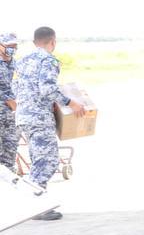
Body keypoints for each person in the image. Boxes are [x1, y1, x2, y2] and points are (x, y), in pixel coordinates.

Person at [14, 26, 85, 219]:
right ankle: (35, 206)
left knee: (38, 160)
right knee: (48, 161)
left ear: (34, 41)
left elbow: (15, 87)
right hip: (39, 118)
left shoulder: (23, 61)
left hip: (24, 117)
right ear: (53, 41)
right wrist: (71, 103)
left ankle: (33, 204)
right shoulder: (48, 60)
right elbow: (47, 89)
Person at [0, 32, 17, 172]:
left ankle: (8, 174)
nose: (13, 49)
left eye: (15, 46)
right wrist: (7, 99)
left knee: (11, 145)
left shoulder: (13, 62)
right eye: (9, 46)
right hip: (4, 107)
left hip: (10, 113)